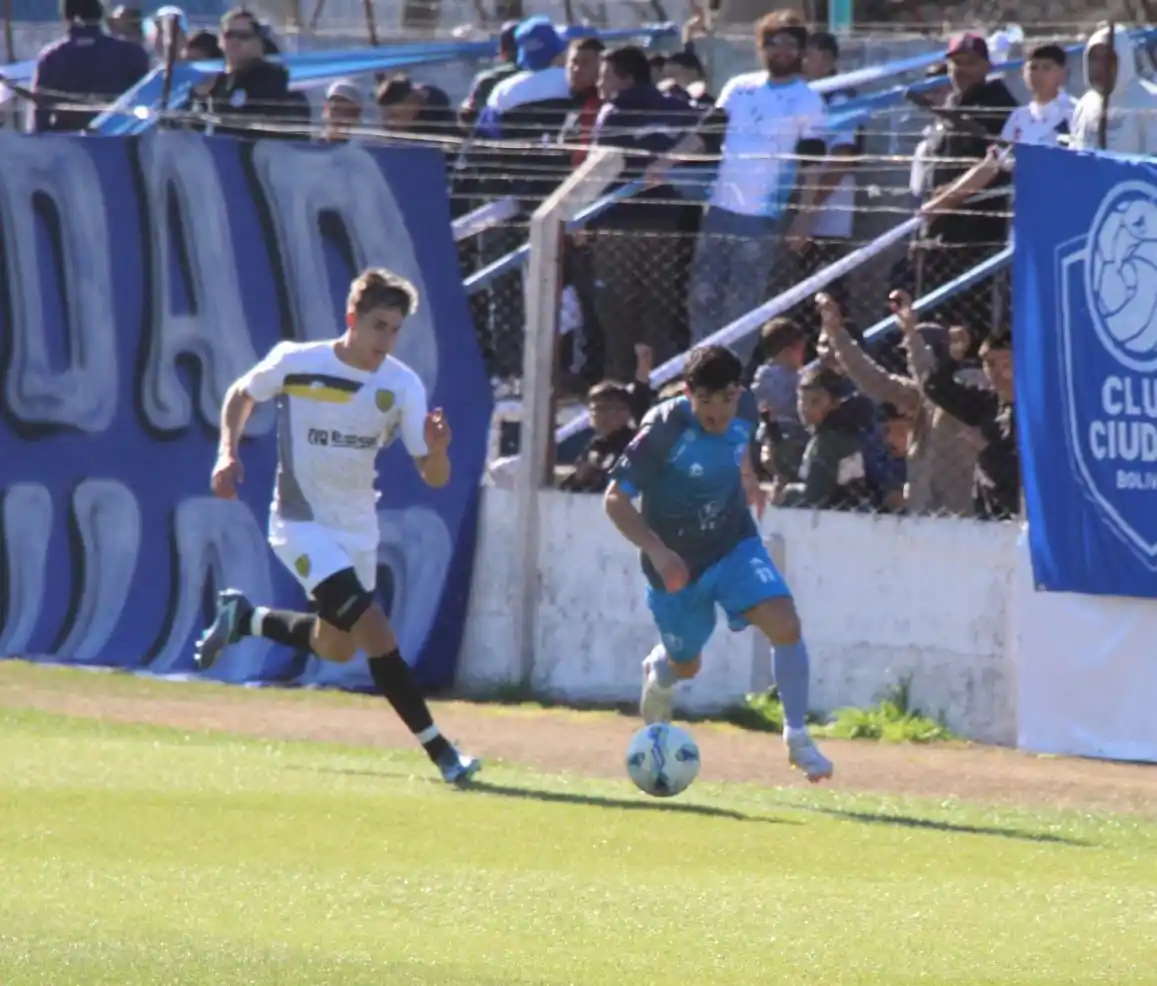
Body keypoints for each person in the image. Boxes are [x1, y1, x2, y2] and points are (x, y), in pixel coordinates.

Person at [194, 268, 482, 786]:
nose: (386, 340)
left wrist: (438, 451)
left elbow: (434, 477)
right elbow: (243, 392)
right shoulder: (297, 361)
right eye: (378, 326)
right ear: (351, 318)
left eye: (395, 330)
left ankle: (245, 619)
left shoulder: (401, 385)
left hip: (356, 529)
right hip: (299, 522)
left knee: (338, 646)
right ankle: (442, 751)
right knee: (374, 629)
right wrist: (226, 452)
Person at [604, 345, 834, 782]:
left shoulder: (745, 408)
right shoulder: (663, 429)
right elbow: (614, 500)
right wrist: (657, 550)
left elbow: (738, 444)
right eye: (705, 401)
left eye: (725, 400)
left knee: (785, 622)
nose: (716, 413)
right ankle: (662, 670)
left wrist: (748, 478)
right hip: (676, 568)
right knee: (688, 663)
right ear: (688, 393)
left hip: (733, 543)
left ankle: (797, 737)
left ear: (738, 392)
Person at [32, 0, 150, 133]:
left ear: (65, 16)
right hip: (121, 143)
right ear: (101, 14)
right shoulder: (133, 53)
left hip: (67, 146)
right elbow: (147, 105)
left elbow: (39, 122)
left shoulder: (51, 57)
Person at [1070, 23, 1157, 154]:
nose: (1099, 67)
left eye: (1108, 59)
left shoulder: (1150, 103)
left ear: (1124, 59)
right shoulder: (1084, 105)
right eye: (1094, 59)